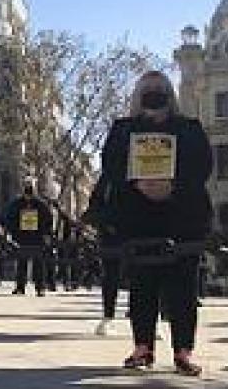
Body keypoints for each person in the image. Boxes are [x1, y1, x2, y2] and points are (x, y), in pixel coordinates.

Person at [96, 70, 212, 376]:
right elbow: (110, 166)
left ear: (169, 94)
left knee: (183, 288)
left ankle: (183, 351)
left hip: (182, 217)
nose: (154, 94)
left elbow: (203, 167)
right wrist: (137, 183)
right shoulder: (123, 130)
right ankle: (142, 346)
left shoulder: (190, 128)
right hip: (137, 216)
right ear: (137, 95)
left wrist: (173, 187)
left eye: (160, 89)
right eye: (147, 90)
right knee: (142, 284)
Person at [83, 168, 123, 336]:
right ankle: (108, 316)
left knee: (142, 276)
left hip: (129, 228)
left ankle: (148, 320)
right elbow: (96, 202)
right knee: (111, 274)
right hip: (111, 231)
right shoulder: (109, 178)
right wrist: (105, 223)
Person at [5, 179, 54, 297]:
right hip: (22, 237)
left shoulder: (41, 204)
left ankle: (40, 287)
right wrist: (12, 233)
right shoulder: (17, 203)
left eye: (30, 187)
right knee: (22, 262)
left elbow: (48, 220)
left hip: (37, 237)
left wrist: (46, 234)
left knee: (38, 263)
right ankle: (20, 287)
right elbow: (10, 219)